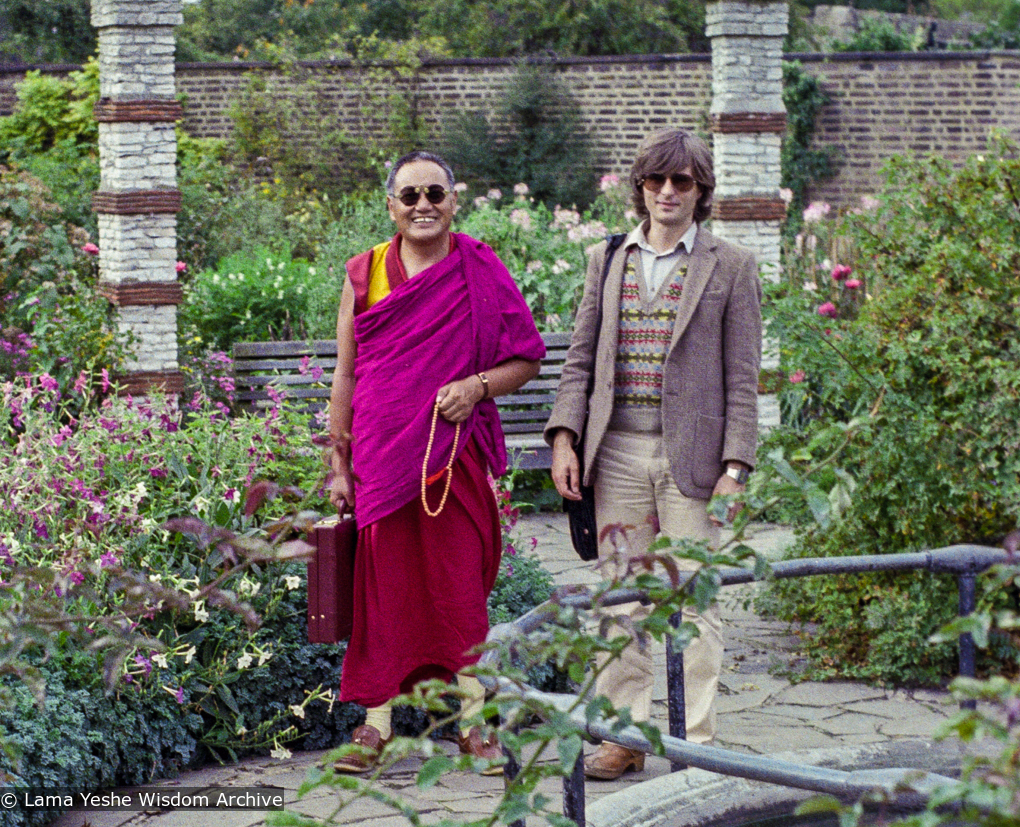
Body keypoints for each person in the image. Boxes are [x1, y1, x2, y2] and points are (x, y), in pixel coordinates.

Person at [545, 128, 762, 780]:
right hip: (616, 454)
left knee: (693, 598)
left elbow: (743, 376)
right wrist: (564, 437)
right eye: (656, 181)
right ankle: (625, 738)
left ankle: (694, 744)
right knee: (621, 598)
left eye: (683, 182)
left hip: (693, 460)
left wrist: (735, 468)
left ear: (701, 191)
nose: (668, 193)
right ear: (640, 188)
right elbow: (581, 357)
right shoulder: (607, 258)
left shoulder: (731, 265)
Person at [327, 150, 545, 774]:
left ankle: (471, 721)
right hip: (380, 453)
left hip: (452, 458)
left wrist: (477, 386)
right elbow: (345, 373)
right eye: (410, 195)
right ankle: (374, 725)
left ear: (455, 201)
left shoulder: (478, 268)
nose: (423, 205)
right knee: (384, 592)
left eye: (434, 194)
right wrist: (339, 465)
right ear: (390, 205)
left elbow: (526, 358)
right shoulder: (364, 272)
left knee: (457, 591)